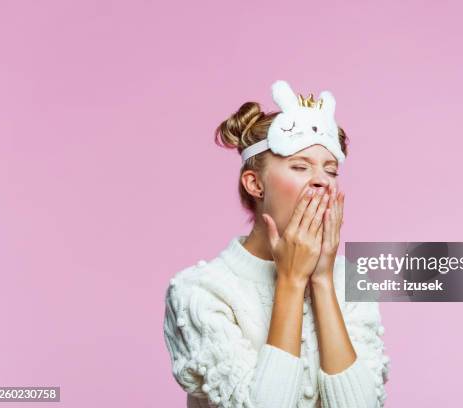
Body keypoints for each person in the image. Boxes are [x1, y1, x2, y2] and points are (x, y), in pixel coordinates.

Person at [163, 80, 390, 408]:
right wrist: (291, 280)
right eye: (300, 167)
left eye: (331, 170)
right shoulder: (200, 292)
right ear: (254, 184)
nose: (321, 180)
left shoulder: (348, 280)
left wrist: (322, 280)